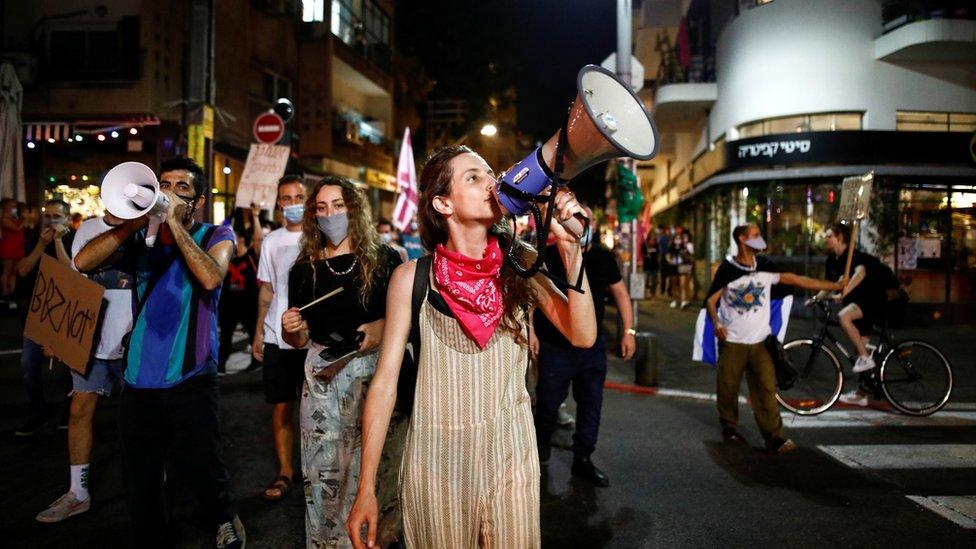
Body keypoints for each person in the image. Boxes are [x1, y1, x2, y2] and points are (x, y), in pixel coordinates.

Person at [346, 145, 596, 549]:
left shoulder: (521, 263)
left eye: (490, 174)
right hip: (436, 463)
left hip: (510, 453)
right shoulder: (412, 278)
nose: (491, 184)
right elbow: (385, 384)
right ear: (442, 203)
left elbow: (582, 334)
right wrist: (366, 488)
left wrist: (571, 249)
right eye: (473, 178)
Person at [74, 157, 245, 548]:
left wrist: (172, 223)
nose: (167, 192)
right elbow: (83, 261)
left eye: (180, 187)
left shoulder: (216, 234)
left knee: (203, 462)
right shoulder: (140, 241)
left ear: (197, 201)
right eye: (162, 184)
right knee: (140, 473)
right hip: (138, 376)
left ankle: (223, 516)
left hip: (192, 375)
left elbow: (209, 276)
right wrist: (136, 221)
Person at [279, 176, 404, 547]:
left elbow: (404, 320)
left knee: (375, 470)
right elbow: (300, 339)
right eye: (320, 208)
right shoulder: (303, 270)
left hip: (375, 375)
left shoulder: (386, 258)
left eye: (337, 205)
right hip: (323, 381)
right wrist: (292, 329)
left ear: (354, 208)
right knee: (326, 473)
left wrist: (381, 327)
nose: (329, 214)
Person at [705, 223, 844, 454]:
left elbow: (798, 280)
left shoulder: (767, 268)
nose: (760, 238)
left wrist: (834, 286)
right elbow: (711, 300)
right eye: (755, 235)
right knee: (727, 387)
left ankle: (775, 437)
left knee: (766, 389)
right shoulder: (728, 269)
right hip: (733, 342)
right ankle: (729, 426)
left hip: (760, 342)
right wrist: (717, 322)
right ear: (741, 238)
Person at [35, 210, 135, 522]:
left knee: (141, 416)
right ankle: (78, 492)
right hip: (90, 339)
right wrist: (58, 334)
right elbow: (72, 280)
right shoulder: (89, 228)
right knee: (79, 411)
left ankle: (149, 482)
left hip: (133, 339)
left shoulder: (144, 229)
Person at [531, 206, 635, 488]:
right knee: (548, 405)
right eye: (573, 218)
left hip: (592, 348)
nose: (579, 224)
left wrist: (629, 331)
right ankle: (539, 456)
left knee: (591, 406)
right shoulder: (548, 255)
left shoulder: (602, 256)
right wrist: (531, 332)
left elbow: (621, 295)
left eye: (583, 219)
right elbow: (534, 294)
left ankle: (583, 459)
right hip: (555, 346)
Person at [252, 174, 307, 501]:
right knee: (282, 407)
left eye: (297, 197)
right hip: (277, 338)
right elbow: (267, 289)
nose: (292, 204)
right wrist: (260, 329)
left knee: (319, 407)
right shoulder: (271, 241)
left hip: (313, 338)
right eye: (285, 199)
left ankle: (320, 470)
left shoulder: (319, 239)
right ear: (278, 204)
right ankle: (286, 471)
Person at [14, 200, 74, 437]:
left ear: (67, 220)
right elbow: (23, 269)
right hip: (37, 314)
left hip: (66, 312)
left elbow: (71, 272)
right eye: (47, 215)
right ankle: (37, 413)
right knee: (29, 364)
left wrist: (58, 241)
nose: (51, 220)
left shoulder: (75, 240)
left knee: (71, 366)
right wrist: (40, 244)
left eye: (57, 216)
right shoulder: (35, 239)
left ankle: (69, 412)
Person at [821, 222, 888, 406]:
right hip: (856, 303)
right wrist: (816, 297)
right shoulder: (831, 260)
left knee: (844, 316)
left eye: (829, 236)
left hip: (869, 300)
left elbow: (860, 273)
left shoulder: (854, 256)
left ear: (839, 237)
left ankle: (866, 358)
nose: (825, 239)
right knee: (859, 348)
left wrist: (844, 292)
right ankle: (862, 394)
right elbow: (828, 285)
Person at [217, 204, 263, 374]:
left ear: (242, 238)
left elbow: (258, 239)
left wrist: (256, 215)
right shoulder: (227, 255)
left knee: (253, 333)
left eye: (236, 235)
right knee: (226, 336)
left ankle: (256, 361)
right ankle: (220, 364)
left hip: (249, 303)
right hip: (229, 304)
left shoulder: (252, 254)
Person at [1, 197, 25, 299]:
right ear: (6, 207)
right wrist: (25, 220)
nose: (14, 207)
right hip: (9, 247)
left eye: (15, 206)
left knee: (14, 272)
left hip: (17, 247)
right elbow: (16, 228)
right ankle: (4, 291)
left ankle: (12, 291)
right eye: (12, 205)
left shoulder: (14, 218)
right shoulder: (4, 219)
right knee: (7, 270)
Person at [669, 226, 694, 309]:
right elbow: (668, 255)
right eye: (677, 238)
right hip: (673, 267)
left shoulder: (684, 247)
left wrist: (685, 254)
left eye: (680, 238)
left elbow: (690, 257)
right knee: (674, 284)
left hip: (683, 267)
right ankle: (674, 299)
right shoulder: (672, 247)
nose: (679, 240)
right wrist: (670, 260)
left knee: (682, 284)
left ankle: (683, 301)